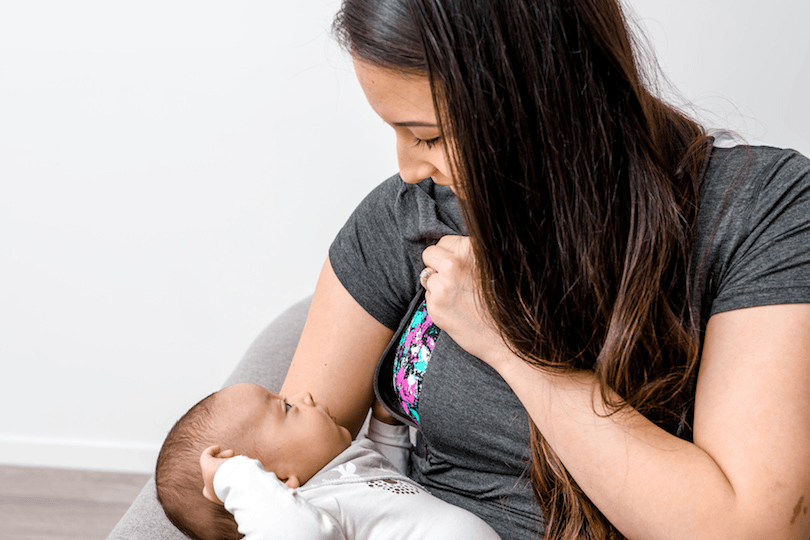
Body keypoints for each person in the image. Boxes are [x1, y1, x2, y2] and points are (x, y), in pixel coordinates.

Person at [276, 0, 810, 539]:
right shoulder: (411, 213)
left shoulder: (762, 212)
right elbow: (278, 470)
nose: (409, 168)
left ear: (539, 100)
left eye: (430, 136)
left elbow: (749, 529)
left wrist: (510, 345)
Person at [154, 382, 501, 540]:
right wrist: (232, 476)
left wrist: (386, 426)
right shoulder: (308, 511)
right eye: (287, 406)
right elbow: (296, 532)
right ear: (278, 480)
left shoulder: (342, 469)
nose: (304, 395)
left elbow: (389, 485)